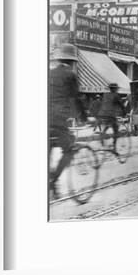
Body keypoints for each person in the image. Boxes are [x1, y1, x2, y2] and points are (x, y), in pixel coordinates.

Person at [49, 43, 86, 198]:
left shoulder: (49, 73)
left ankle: (51, 182)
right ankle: (53, 181)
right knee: (69, 150)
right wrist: (83, 116)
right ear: (72, 61)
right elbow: (75, 98)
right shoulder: (70, 74)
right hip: (58, 119)